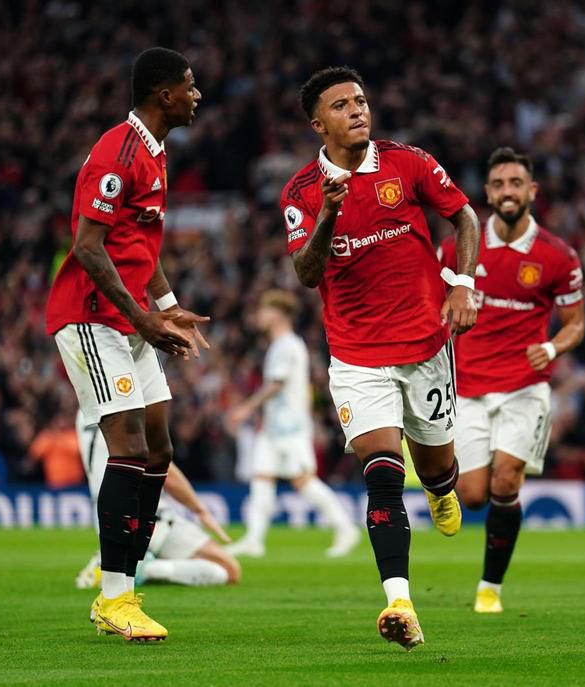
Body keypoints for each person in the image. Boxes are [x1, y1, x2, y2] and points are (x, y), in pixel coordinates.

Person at [281, 66, 480, 650]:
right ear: (319, 125)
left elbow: (465, 216)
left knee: (437, 467)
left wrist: (462, 283)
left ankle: (440, 488)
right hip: (358, 356)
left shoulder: (408, 163)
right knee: (384, 478)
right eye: (342, 105)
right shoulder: (301, 193)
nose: (358, 110)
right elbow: (306, 273)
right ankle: (400, 603)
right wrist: (328, 214)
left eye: (361, 100)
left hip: (425, 346)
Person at [45, 47, 208, 641]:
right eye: (189, 85)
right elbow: (88, 247)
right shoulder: (118, 154)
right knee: (130, 447)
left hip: (131, 318)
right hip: (92, 318)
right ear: (164, 95)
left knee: (159, 447)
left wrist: (167, 307)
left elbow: (139, 246)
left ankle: (126, 582)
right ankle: (115, 596)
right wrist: (142, 318)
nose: (196, 95)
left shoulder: (155, 152)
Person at [439, 148, 585, 614]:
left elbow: (576, 323)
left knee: (506, 482)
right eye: (499, 184)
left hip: (525, 385)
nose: (508, 191)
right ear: (487, 192)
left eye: (516, 183)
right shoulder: (460, 248)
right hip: (468, 388)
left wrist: (554, 348)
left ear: (532, 191)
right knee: (473, 496)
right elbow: (434, 301)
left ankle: (490, 589)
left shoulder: (557, 257)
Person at [225, 290, 360, 558]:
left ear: (278, 314)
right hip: (274, 427)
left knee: (302, 481)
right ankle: (254, 540)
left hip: (290, 428)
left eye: (264, 310)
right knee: (261, 477)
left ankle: (345, 527)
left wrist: (246, 409)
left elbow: (277, 384)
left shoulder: (288, 345)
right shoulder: (279, 345)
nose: (259, 316)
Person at [75, 413, 241, 588]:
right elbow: (160, 465)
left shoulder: (85, 413)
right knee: (229, 569)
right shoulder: (128, 407)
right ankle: (143, 568)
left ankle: (126, 561)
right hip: (146, 515)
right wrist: (200, 509)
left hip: (106, 516)